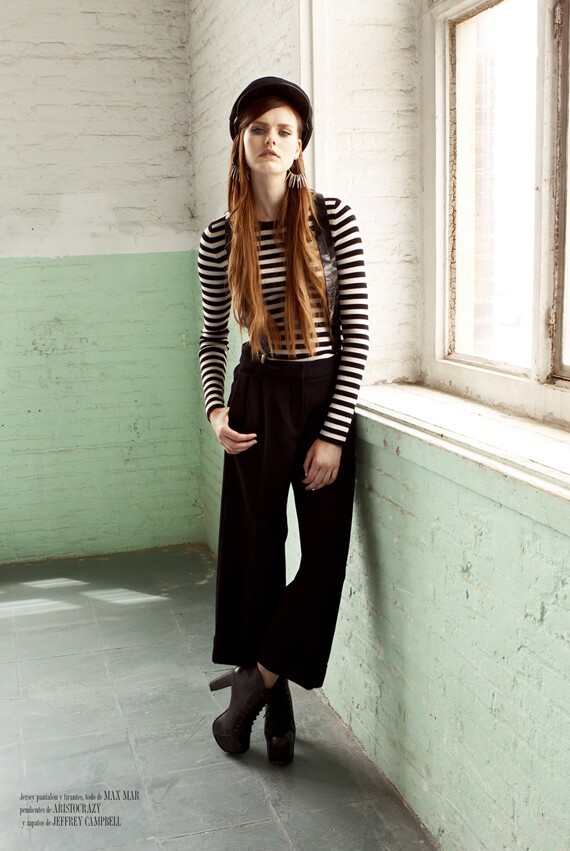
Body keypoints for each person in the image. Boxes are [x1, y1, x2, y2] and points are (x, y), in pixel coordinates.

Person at [198, 77, 369, 765]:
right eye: (260, 128)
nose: (272, 139)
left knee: (323, 562)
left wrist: (332, 433)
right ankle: (277, 708)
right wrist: (216, 410)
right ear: (240, 140)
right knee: (258, 556)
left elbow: (356, 334)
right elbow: (213, 337)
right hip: (256, 399)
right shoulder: (220, 237)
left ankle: (253, 684)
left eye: (286, 130)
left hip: (322, 399)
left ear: (300, 146)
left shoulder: (333, 219)